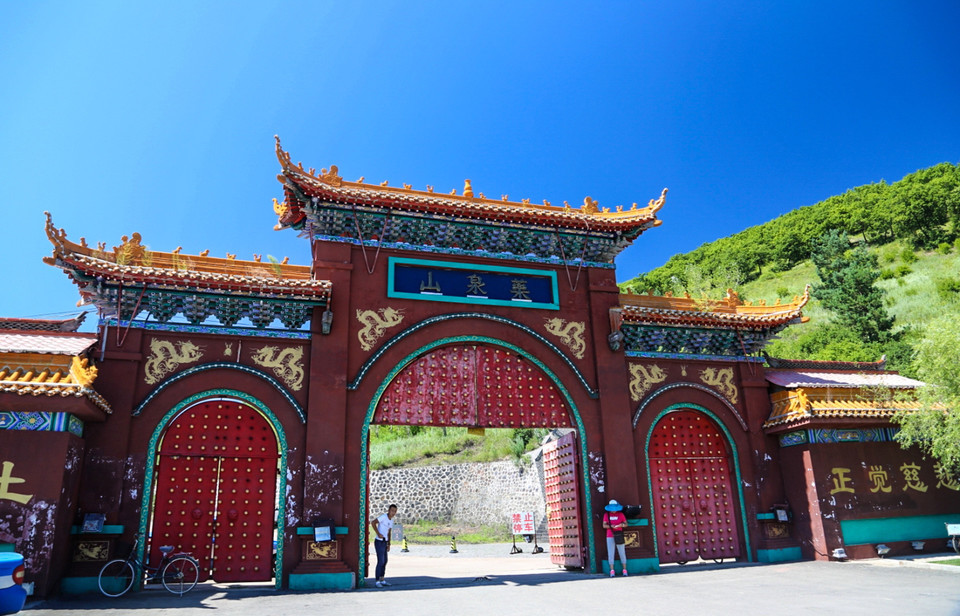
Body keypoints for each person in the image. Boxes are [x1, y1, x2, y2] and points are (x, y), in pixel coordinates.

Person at [371, 504, 398, 587]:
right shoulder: (383, 517)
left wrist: (389, 543)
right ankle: (377, 581)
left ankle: (382, 579)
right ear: (389, 510)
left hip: (384, 542)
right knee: (380, 561)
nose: (393, 512)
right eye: (392, 510)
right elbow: (373, 523)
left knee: (385, 561)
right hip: (379, 541)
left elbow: (389, 532)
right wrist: (378, 533)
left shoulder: (391, 520)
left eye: (395, 511)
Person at [603, 499, 628, 577]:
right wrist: (611, 526)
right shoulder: (606, 515)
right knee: (611, 552)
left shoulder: (621, 514)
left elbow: (626, 524)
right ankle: (612, 570)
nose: (613, 511)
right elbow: (604, 525)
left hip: (619, 534)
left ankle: (624, 569)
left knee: (622, 552)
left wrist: (621, 525)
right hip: (610, 535)